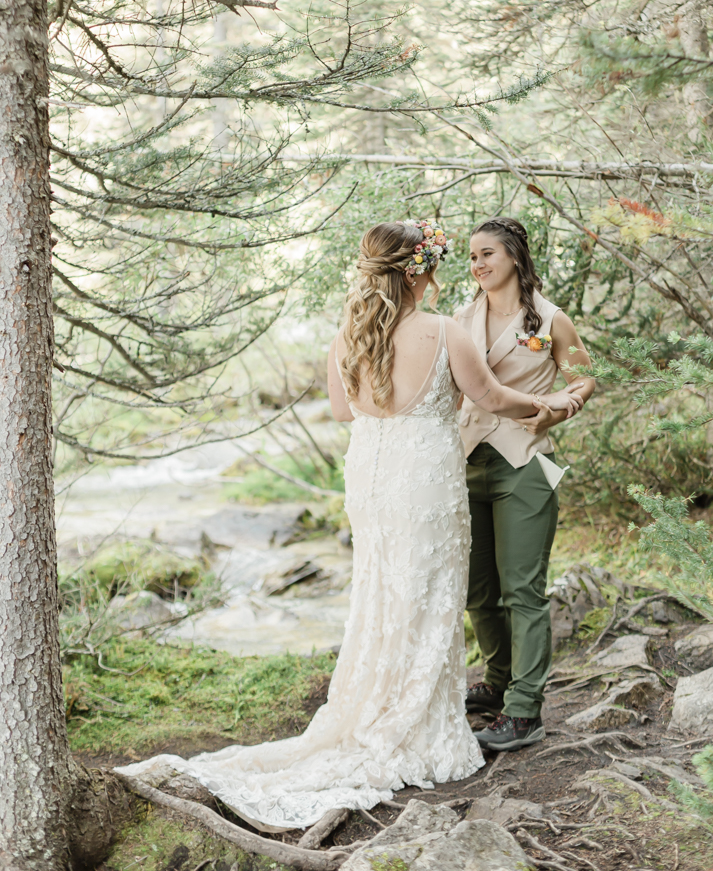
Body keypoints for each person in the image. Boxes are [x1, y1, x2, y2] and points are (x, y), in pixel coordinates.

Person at [116, 218, 552, 831]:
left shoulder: (350, 330)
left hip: (372, 470)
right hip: (423, 471)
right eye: (432, 263)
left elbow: (344, 408)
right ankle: (416, 719)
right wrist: (552, 403)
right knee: (426, 592)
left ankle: (376, 703)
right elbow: (493, 399)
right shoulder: (444, 329)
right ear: (415, 270)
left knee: (381, 589)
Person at [456, 216, 595, 752]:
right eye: (471, 257)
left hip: (527, 463)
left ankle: (524, 710)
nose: (478, 264)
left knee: (523, 590)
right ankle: (496, 683)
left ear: (513, 255)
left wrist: (559, 410)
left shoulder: (552, 318)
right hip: (466, 461)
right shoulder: (458, 319)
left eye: (487, 253)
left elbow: (585, 377)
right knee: (477, 591)